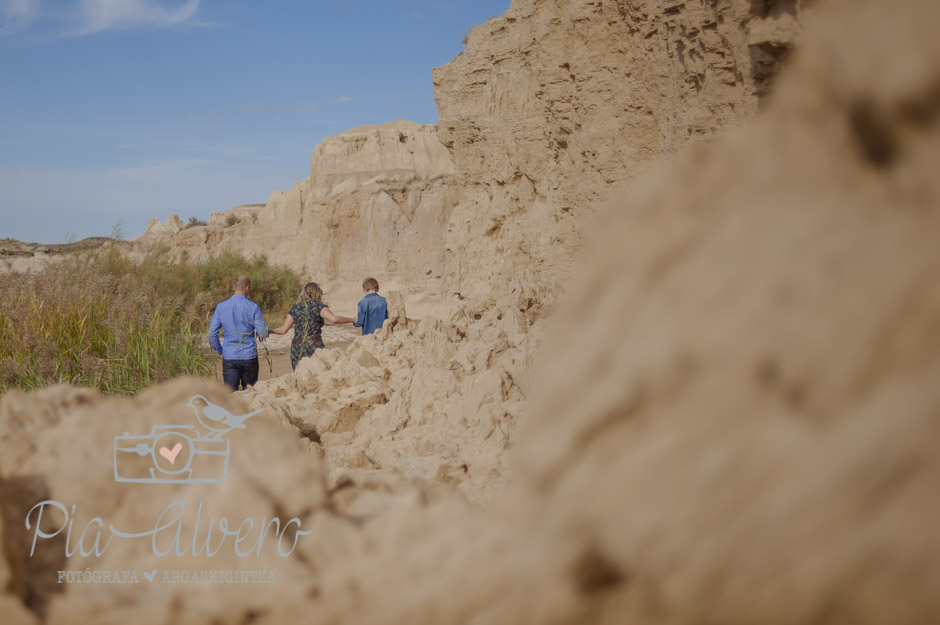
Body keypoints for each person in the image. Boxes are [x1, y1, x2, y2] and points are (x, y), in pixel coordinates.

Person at [270, 282, 355, 370]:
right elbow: (334, 319)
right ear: (317, 292)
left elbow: (283, 330)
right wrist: (352, 319)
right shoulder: (319, 306)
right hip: (313, 346)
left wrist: (269, 331)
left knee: (300, 375)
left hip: (297, 348)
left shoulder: (295, 308)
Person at [208, 275, 269, 392]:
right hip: (249, 356)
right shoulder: (253, 307)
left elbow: (211, 335)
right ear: (247, 288)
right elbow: (262, 332)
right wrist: (266, 331)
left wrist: (220, 351)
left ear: (233, 287)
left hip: (229, 356)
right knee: (251, 394)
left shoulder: (221, 307)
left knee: (231, 397)